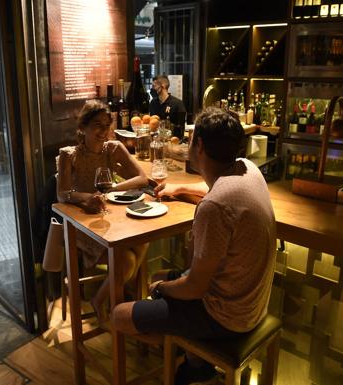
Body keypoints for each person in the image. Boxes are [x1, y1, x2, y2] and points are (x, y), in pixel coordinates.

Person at [113, 107, 277, 385]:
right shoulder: (248, 170)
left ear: (198, 144)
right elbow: (216, 188)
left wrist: (161, 291)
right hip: (252, 304)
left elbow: (194, 288)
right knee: (158, 276)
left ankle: (192, 357)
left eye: (190, 138)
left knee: (121, 314)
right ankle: (194, 360)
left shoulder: (214, 208)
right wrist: (178, 189)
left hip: (225, 317)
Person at [57, 100, 150, 322]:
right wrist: (85, 198)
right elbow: (62, 194)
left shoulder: (113, 148)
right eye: (97, 125)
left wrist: (112, 189)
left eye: (107, 125)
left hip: (110, 217)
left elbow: (141, 178)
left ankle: (124, 294)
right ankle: (103, 299)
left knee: (143, 241)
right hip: (83, 223)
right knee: (127, 260)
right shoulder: (69, 155)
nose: (104, 131)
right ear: (83, 127)